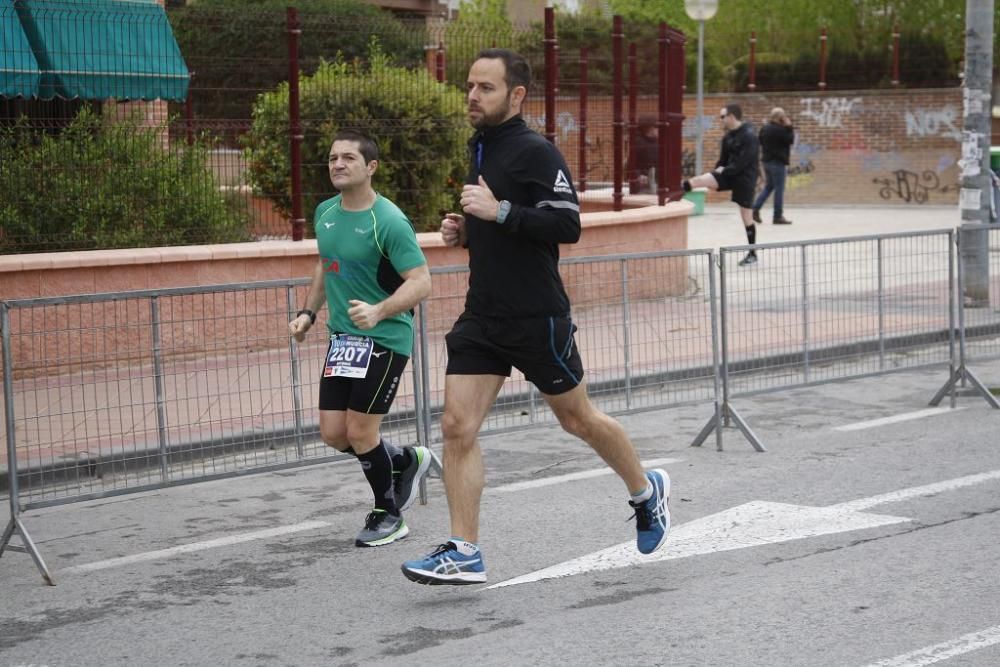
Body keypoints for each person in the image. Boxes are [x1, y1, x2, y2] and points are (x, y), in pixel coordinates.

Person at [400, 49, 671, 586]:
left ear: (516, 95)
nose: (472, 96)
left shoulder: (535, 151)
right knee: (457, 427)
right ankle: (465, 549)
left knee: (577, 420)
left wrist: (497, 212)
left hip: (535, 315)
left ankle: (646, 491)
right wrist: (468, 229)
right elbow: (499, 219)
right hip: (483, 314)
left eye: (486, 88)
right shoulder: (481, 148)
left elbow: (567, 224)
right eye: (470, 86)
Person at [288, 129, 432, 548]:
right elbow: (325, 265)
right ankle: (405, 460)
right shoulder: (325, 213)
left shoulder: (387, 220)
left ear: (371, 167)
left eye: (348, 158)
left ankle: (389, 513)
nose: (338, 164)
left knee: (362, 432)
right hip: (344, 341)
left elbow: (421, 282)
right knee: (335, 433)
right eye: (333, 158)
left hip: (386, 338)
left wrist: (379, 310)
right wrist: (307, 313)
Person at [683, 103, 761, 266]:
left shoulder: (750, 136)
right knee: (699, 180)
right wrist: (716, 172)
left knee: (746, 216)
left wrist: (723, 170)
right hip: (728, 174)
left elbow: (744, 162)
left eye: (722, 116)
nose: (721, 120)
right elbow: (722, 161)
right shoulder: (727, 137)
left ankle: (752, 253)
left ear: (732, 116)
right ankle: (676, 194)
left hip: (745, 178)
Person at [752, 107, 795, 225]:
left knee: (769, 186)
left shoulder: (764, 129)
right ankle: (777, 216)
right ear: (780, 117)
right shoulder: (781, 130)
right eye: (783, 116)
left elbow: (760, 141)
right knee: (779, 189)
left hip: (766, 162)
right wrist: (789, 126)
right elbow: (791, 140)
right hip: (778, 163)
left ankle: (755, 209)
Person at [632, 115, 659, 194]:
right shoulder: (638, 143)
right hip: (643, 184)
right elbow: (632, 164)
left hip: (656, 181)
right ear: (650, 129)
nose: (659, 130)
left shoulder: (658, 142)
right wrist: (639, 175)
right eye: (657, 127)